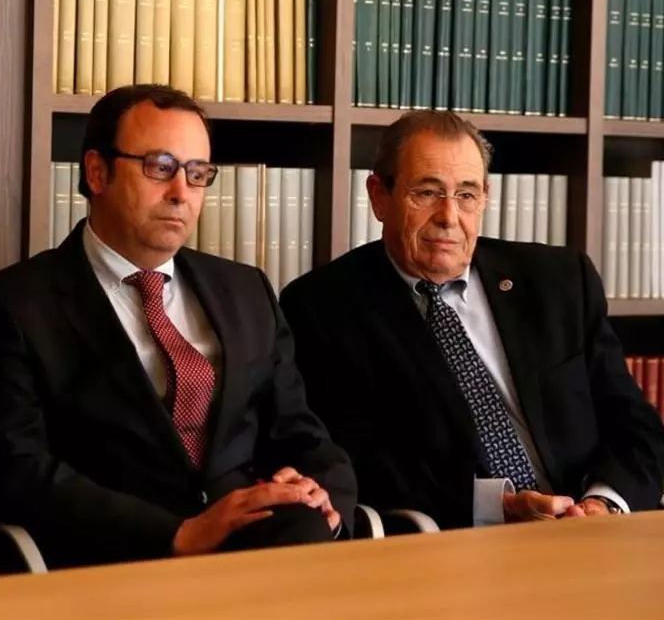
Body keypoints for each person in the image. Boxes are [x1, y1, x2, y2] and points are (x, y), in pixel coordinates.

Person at [0, 84, 356, 569]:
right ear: (97, 172)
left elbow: (300, 432)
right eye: (160, 168)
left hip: (254, 548)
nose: (180, 193)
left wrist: (320, 494)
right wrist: (178, 534)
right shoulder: (13, 304)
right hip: (114, 559)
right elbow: (18, 469)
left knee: (309, 533)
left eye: (197, 173)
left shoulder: (245, 290)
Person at [279, 110, 664, 530]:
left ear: (484, 197)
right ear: (379, 196)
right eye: (427, 193)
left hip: (593, 529)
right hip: (459, 541)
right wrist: (497, 506)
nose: (449, 216)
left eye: (466, 194)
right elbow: (361, 467)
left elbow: (634, 424)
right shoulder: (323, 308)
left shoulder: (559, 281)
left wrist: (602, 504)